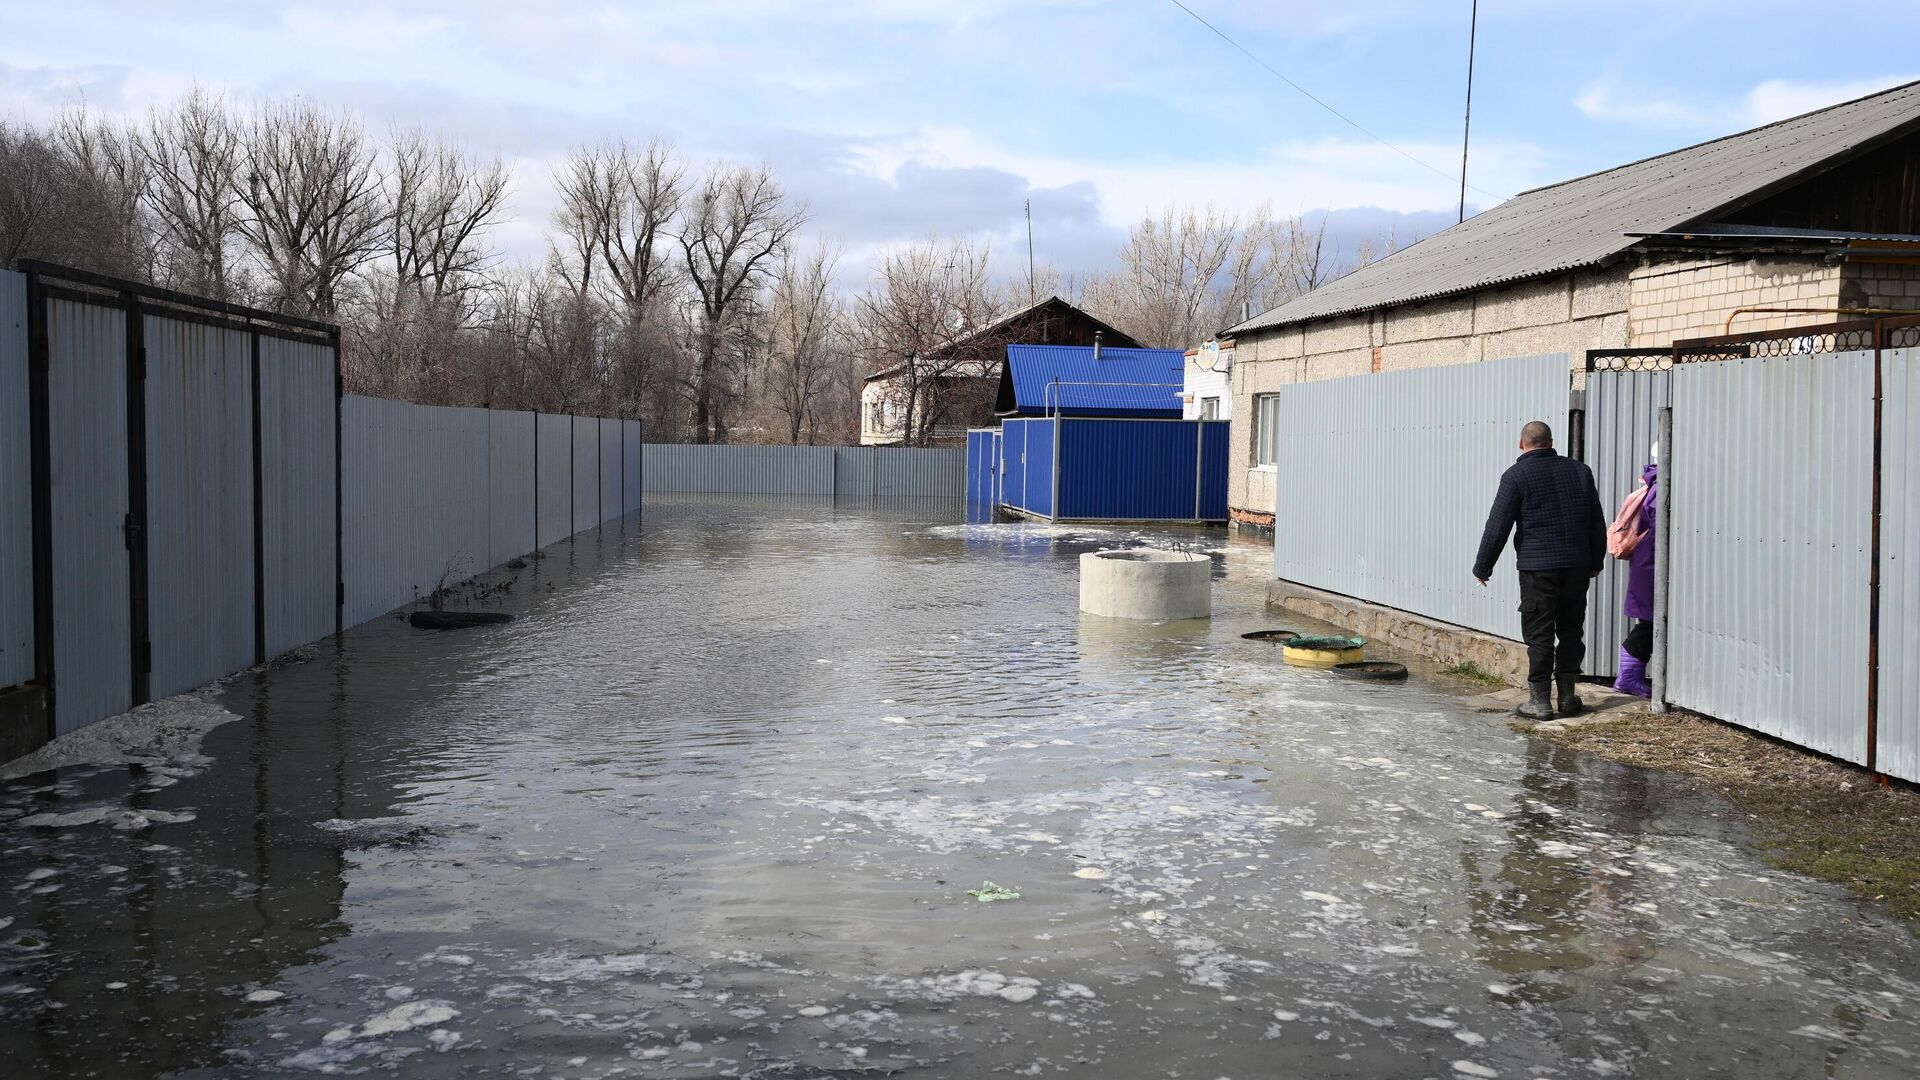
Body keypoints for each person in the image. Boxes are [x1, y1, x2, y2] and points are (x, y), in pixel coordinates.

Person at [1471, 420, 1607, 720]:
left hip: (1538, 568)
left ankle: (1540, 702)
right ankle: (1569, 698)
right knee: (1572, 629)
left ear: (1522, 444)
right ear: (1551, 441)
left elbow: (1498, 527)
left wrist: (1483, 567)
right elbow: (1596, 520)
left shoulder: (1515, 476)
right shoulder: (1580, 471)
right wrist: (1596, 561)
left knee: (1540, 633)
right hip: (1577, 565)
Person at [1614, 444, 1658, 697]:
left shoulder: (1652, 485)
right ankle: (1629, 678)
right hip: (1652, 563)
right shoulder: (1659, 487)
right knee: (1651, 622)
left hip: (1647, 562)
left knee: (1650, 621)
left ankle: (1630, 677)